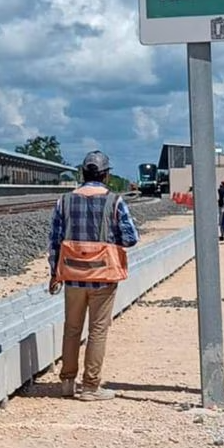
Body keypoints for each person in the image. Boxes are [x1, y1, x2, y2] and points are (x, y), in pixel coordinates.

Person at [47, 150, 139, 401]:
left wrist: (54, 272)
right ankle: (90, 387)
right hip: (103, 276)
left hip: (72, 275)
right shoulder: (115, 201)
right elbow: (130, 238)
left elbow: (54, 240)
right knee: (98, 330)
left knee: (72, 328)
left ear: (82, 173)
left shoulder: (64, 201)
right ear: (106, 175)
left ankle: (67, 381)